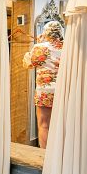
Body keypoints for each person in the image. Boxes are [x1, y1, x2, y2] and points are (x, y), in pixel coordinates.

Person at [22, 21, 63, 149]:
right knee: (62, 124)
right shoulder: (68, 47)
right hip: (63, 90)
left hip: (45, 91)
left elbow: (28, 64)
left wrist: (39, 43)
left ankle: (44, 156)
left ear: (45, 32)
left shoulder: (39, 47)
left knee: (44, 124)